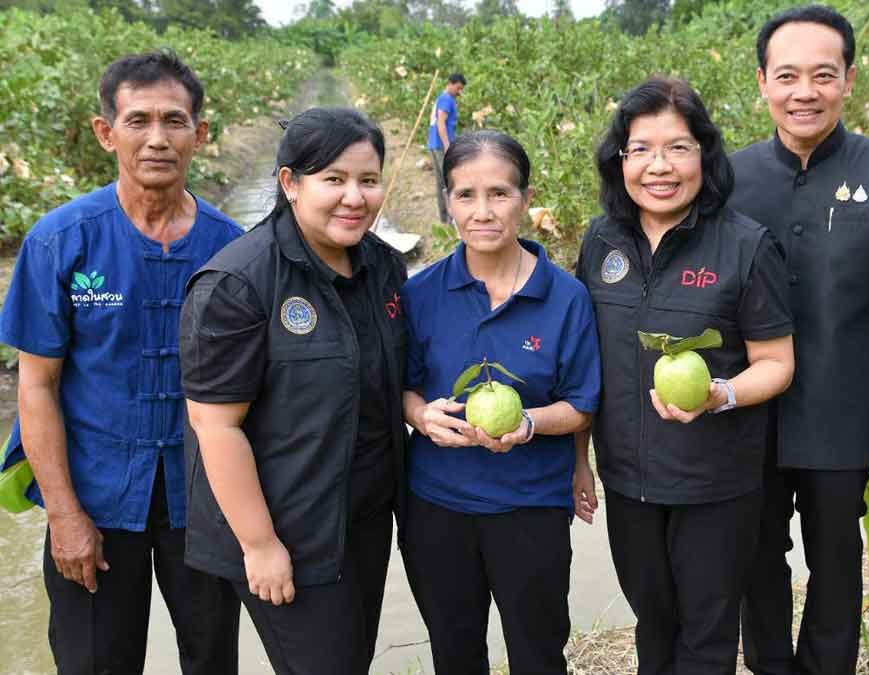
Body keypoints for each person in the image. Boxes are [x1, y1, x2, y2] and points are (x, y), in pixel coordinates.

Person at [0, 51, 242, 674]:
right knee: (94, 662)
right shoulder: (61, 240)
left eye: (174, 120)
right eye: (138, 121)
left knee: (211, 657)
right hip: (96, 499)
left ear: (201, 134)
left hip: (208, 504)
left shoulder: (234, 250)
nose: (157, 139)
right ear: (107, 132)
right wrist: (63, 514)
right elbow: (37, 384)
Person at [729, 6, 869, 674]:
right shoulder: (728, 177)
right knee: (754, 564)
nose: (804, 91)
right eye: (786, 75)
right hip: (749, 418)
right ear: (762, 82)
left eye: (823, 74)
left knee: (836, 569)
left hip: (843, 420)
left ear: (849, 79)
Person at [179, 107, 409, 674]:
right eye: (333, 179)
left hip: (361, 516)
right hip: (286, 527)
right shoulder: (239, 284)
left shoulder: (382, 266)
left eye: (368, 180)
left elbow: (387, 382)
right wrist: (259, 545)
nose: (354, 197)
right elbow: (216, 425)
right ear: (290, 183)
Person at [576, 76, 795, 674]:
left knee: (706, 634)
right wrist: (579, 460)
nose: (658, 166)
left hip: (715, 483)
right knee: (654, 623)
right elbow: (581, 363)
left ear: (705, 154)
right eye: (641, 148)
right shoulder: (601, 241)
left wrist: (720, 394)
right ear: (620, 159)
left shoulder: (745, 246)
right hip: (627, 479)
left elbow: (777, 363)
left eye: (677, 147)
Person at [400, 129, 601, 674]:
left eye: (500, 194)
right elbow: (402, 386)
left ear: (526, 200)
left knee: (538, 653)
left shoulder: (566, 298)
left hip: (530, 506)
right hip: (436, 505)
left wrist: (529, 424)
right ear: (447, 202)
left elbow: (582, 403)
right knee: (455, 652)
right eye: (465, 195)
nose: (482, 211)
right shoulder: (420, 294)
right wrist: (418, 413)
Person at [428, 72, 467, 224]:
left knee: (441, 183)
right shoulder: (446, 99)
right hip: (440, 146)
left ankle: (445, 220)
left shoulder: (443, 98)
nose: (459, 92)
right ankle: (450, 219)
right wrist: (447, 145)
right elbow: (441, 122)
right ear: (450, 84)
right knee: (448, 182)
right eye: (458, 88)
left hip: (435, 144)